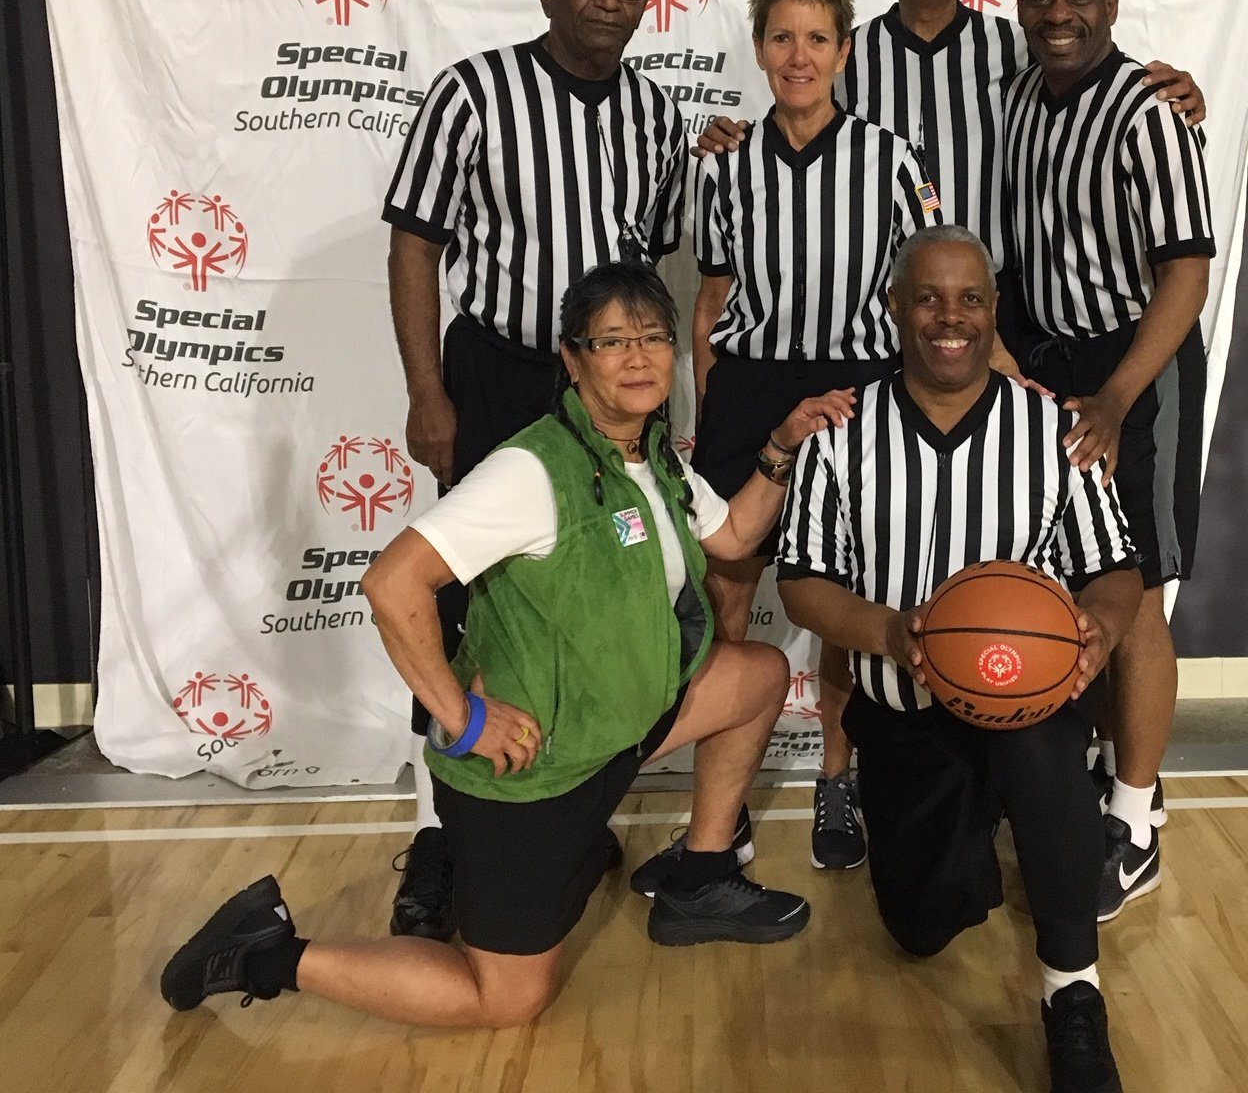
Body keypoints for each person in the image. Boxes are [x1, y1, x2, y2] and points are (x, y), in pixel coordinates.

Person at [160, 262, 856, 1028]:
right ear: (572, 358)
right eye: (613, 341)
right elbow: (393, 584)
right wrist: (460, 718)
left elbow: (733, 536)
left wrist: (783, 444)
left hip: (615, 732)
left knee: (756, 674)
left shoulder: (653, 456)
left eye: (654, 337)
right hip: (533, 769)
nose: (639, 357)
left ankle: (701, 875)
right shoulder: (532, 468)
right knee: (505, 1000)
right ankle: (264, 950)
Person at [694, 0, 1204, 869]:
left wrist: (1172, 81)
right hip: (859, 354)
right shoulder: (774, 126)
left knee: (1110, 579)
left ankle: (1120, 801)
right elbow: (713, 288)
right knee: (769, 579)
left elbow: (1153, 233)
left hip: (980, 346)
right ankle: (771, 798)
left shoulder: (1012, 55)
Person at [777, 226, 1142, 1093]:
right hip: (904, 715)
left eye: (971, 298)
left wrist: (1095, 625)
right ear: (896, 309)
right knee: (923, 925)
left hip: (1031, 696)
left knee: (1041, 749)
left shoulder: (1056, 429)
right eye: (930, 298)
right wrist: (894, 634)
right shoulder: (840, 434)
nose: (952, 318)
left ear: (993, 311)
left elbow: (1117, 571)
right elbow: (800, 584)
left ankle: (1074, 996)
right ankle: (980, 826)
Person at [381, 0, 688, 938]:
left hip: (609, 379)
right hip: (507, 370)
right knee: (469, 601)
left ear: (645, 3)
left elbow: (663, 253)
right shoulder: (472, 92)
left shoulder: (656, 111)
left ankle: (563, 800)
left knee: (602, 601)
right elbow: (415, 245)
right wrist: (430, 393)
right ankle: (441, 831)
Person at [632, 0, 937, 890]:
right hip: (755, 387)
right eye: (781, 38)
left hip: (855, 387)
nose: (798, 56)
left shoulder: (888, 157)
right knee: (729, 583)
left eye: (816, 39)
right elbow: (714, 294)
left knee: (842, 596)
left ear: (843, 51)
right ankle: (721, 808)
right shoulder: (727, 162)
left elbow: (922, 288)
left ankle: (835, 783)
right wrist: (714, 396)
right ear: (761, 50)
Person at [1005, 0, 1213, 921]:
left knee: (1136, 594)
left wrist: (1119, 398)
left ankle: (1134, 820)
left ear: (1110, 5)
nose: (1057, 12)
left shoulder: (1147, 115)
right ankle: (1106, 774)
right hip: (1051, 364)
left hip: (1136, 366)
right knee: (1071, 577)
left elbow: (1184, 275)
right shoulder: (1018, 100)